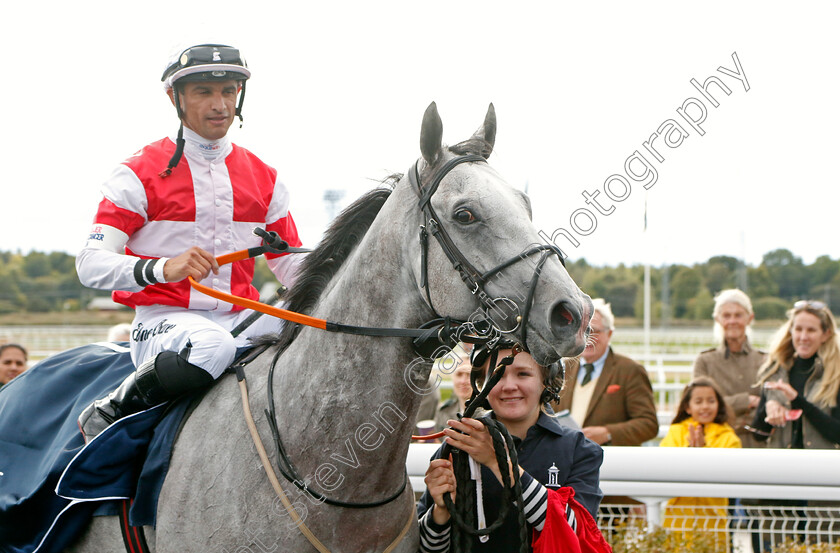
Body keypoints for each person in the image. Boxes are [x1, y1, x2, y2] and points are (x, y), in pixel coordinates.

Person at [75, 43, 302, 443]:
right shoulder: (137, 172)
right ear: (174, 98)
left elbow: (293, 265)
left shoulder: (264, 176)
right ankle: (112, 407)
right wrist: (164, 267)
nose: (220, 105)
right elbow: (90, 264)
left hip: (241, 316)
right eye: (204, 92)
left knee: (325, 329)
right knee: (212, 347)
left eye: (229, 91)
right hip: (164, 323)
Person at [417, 342, 609, 552]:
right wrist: (440, 511)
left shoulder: (579, 450)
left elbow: (576, 534)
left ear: (546, 381)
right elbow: (428, 549)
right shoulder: (456, 447)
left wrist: (497, 462)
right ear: (482, 384)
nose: (509, 386)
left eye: (523, 374)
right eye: (497, 375)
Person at [750, 300, 840, 550]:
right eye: (798, 329)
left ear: (826, 334)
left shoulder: (837, 374)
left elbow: (837, 433)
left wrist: (796, 400)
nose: (803, 336)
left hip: (823, 485)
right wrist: (768, 411)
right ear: (790, 331)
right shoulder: (774, 369)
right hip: (780, 478)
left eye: (811, 330)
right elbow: (758, 434)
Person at [553, 299, 658, 446]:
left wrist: (607, 433)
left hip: (611, 461)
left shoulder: (629, 370)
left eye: (593, 331)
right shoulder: (562, 368)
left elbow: (649, 424)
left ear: (609, 334)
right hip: (568, 458)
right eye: (581, 330)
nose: (587, 338)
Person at [660, 377, 741, 549]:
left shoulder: (729, 437)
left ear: (718, 405)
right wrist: (689, 452)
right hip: (678, 519)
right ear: (687, 407)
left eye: (711, 401)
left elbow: (729, 471)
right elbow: (664, 463)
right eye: (698, 401)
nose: (705, 406)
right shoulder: (675, 432)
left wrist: (703, 452)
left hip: (712, 519)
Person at [693, 289, 766, 449]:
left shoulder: (765, 361)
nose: (732, 321)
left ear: (750, 318)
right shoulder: (705, 361)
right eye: (726, 315)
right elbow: (699, 405)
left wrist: (723, 405)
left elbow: (770, 406)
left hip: (757, 447)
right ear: (718, 319)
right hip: (716, 446)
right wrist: (748, 401)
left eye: (738, 315)